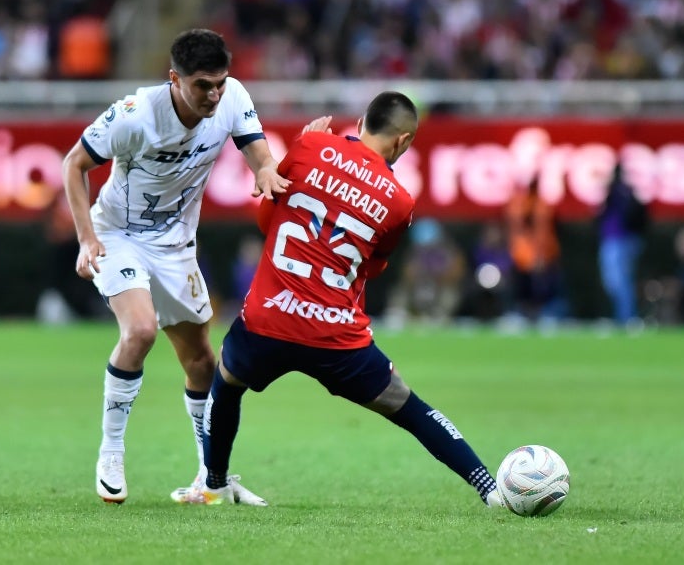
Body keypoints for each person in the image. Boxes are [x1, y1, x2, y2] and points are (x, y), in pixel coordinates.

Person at [172, 92, 505, 508]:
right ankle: (490, 488)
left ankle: (214, 483)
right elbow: (372, 268)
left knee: (227, 382)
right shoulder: (400, 202)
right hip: (334, 334)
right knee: (407, 407)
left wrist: (303, 148)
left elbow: (266, 219)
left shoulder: (311, 145)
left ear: (361, 122)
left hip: (269, 318)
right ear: (402, 141)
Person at [62, 28, 290, 505]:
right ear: (175, 79)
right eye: (202, 85)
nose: (213, 95)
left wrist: (267, 169)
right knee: (140, 331)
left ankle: (211, 477)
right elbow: (74, 164)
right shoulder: (135, 114)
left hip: (176, 246)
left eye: (219, 83)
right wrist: (87, 238)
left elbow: (257, 150)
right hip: (118, 236)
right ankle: (111, 452)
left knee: (202, 362)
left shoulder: (232, 97)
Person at [504, 177, 569, 323]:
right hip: (522, 255)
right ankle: (523, 313)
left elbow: (543, 231)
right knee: (523, 288)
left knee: (545, 288)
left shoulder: (540, 205)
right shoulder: (521, 203)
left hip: (542, 255)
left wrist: (541, 254)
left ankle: (547, 313)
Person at [596, 162, 647, 326]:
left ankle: (627, 317)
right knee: (613, 282)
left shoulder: (622, 192)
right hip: (611, 240)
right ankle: (622, 315)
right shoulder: (618, 192)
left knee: (622, 281)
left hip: (621, 240)